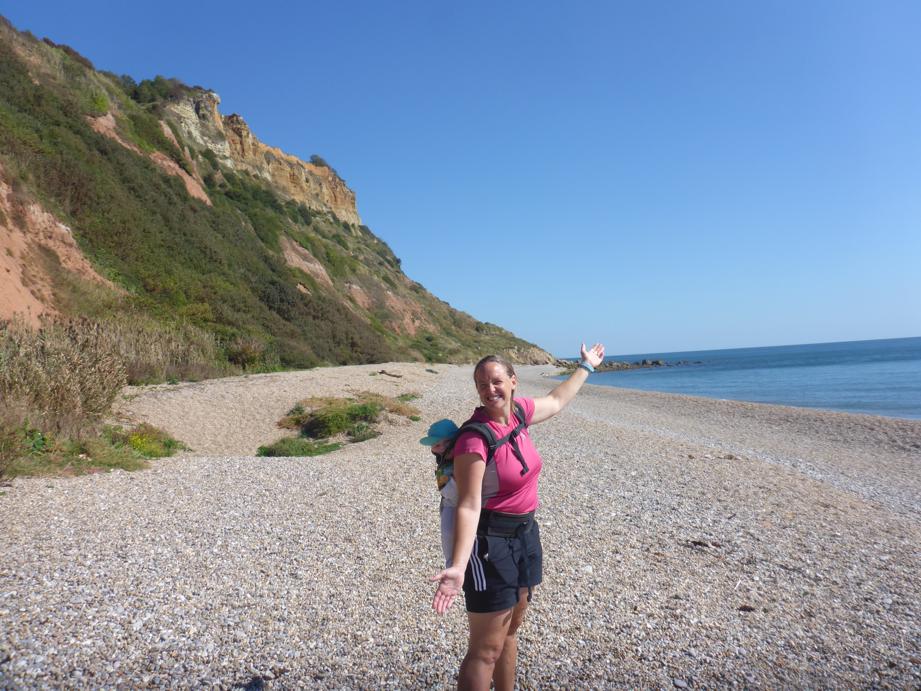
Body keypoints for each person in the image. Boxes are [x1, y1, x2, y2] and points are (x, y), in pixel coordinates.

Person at [430, 343, 605, 691]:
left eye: (496, 381)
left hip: (525, 534)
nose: (489, 389)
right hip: (489, 544)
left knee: (510, 633)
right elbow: (468, 504)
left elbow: (555, 401)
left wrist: (587, 366)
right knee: (485, 650)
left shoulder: (520, 414)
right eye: (481, 384)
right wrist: (457, 565)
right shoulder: (473, 440)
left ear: (513, 382)